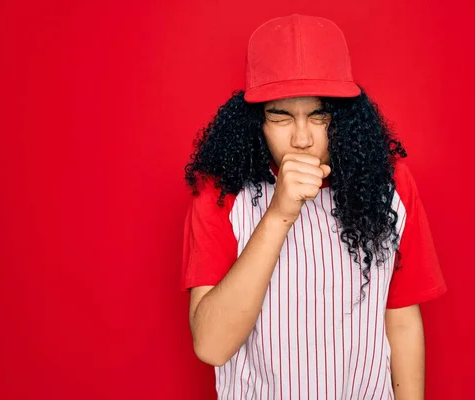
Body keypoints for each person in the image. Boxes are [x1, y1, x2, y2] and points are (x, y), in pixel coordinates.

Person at [181, 14, 446, 399]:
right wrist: (279, 214)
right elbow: (210, 345)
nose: (302, 139)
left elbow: (402, 320)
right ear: (255, 122)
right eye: (281, 116)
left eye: (319, 115)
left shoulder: (391, 186)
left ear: (343, 118)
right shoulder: (222, 193)